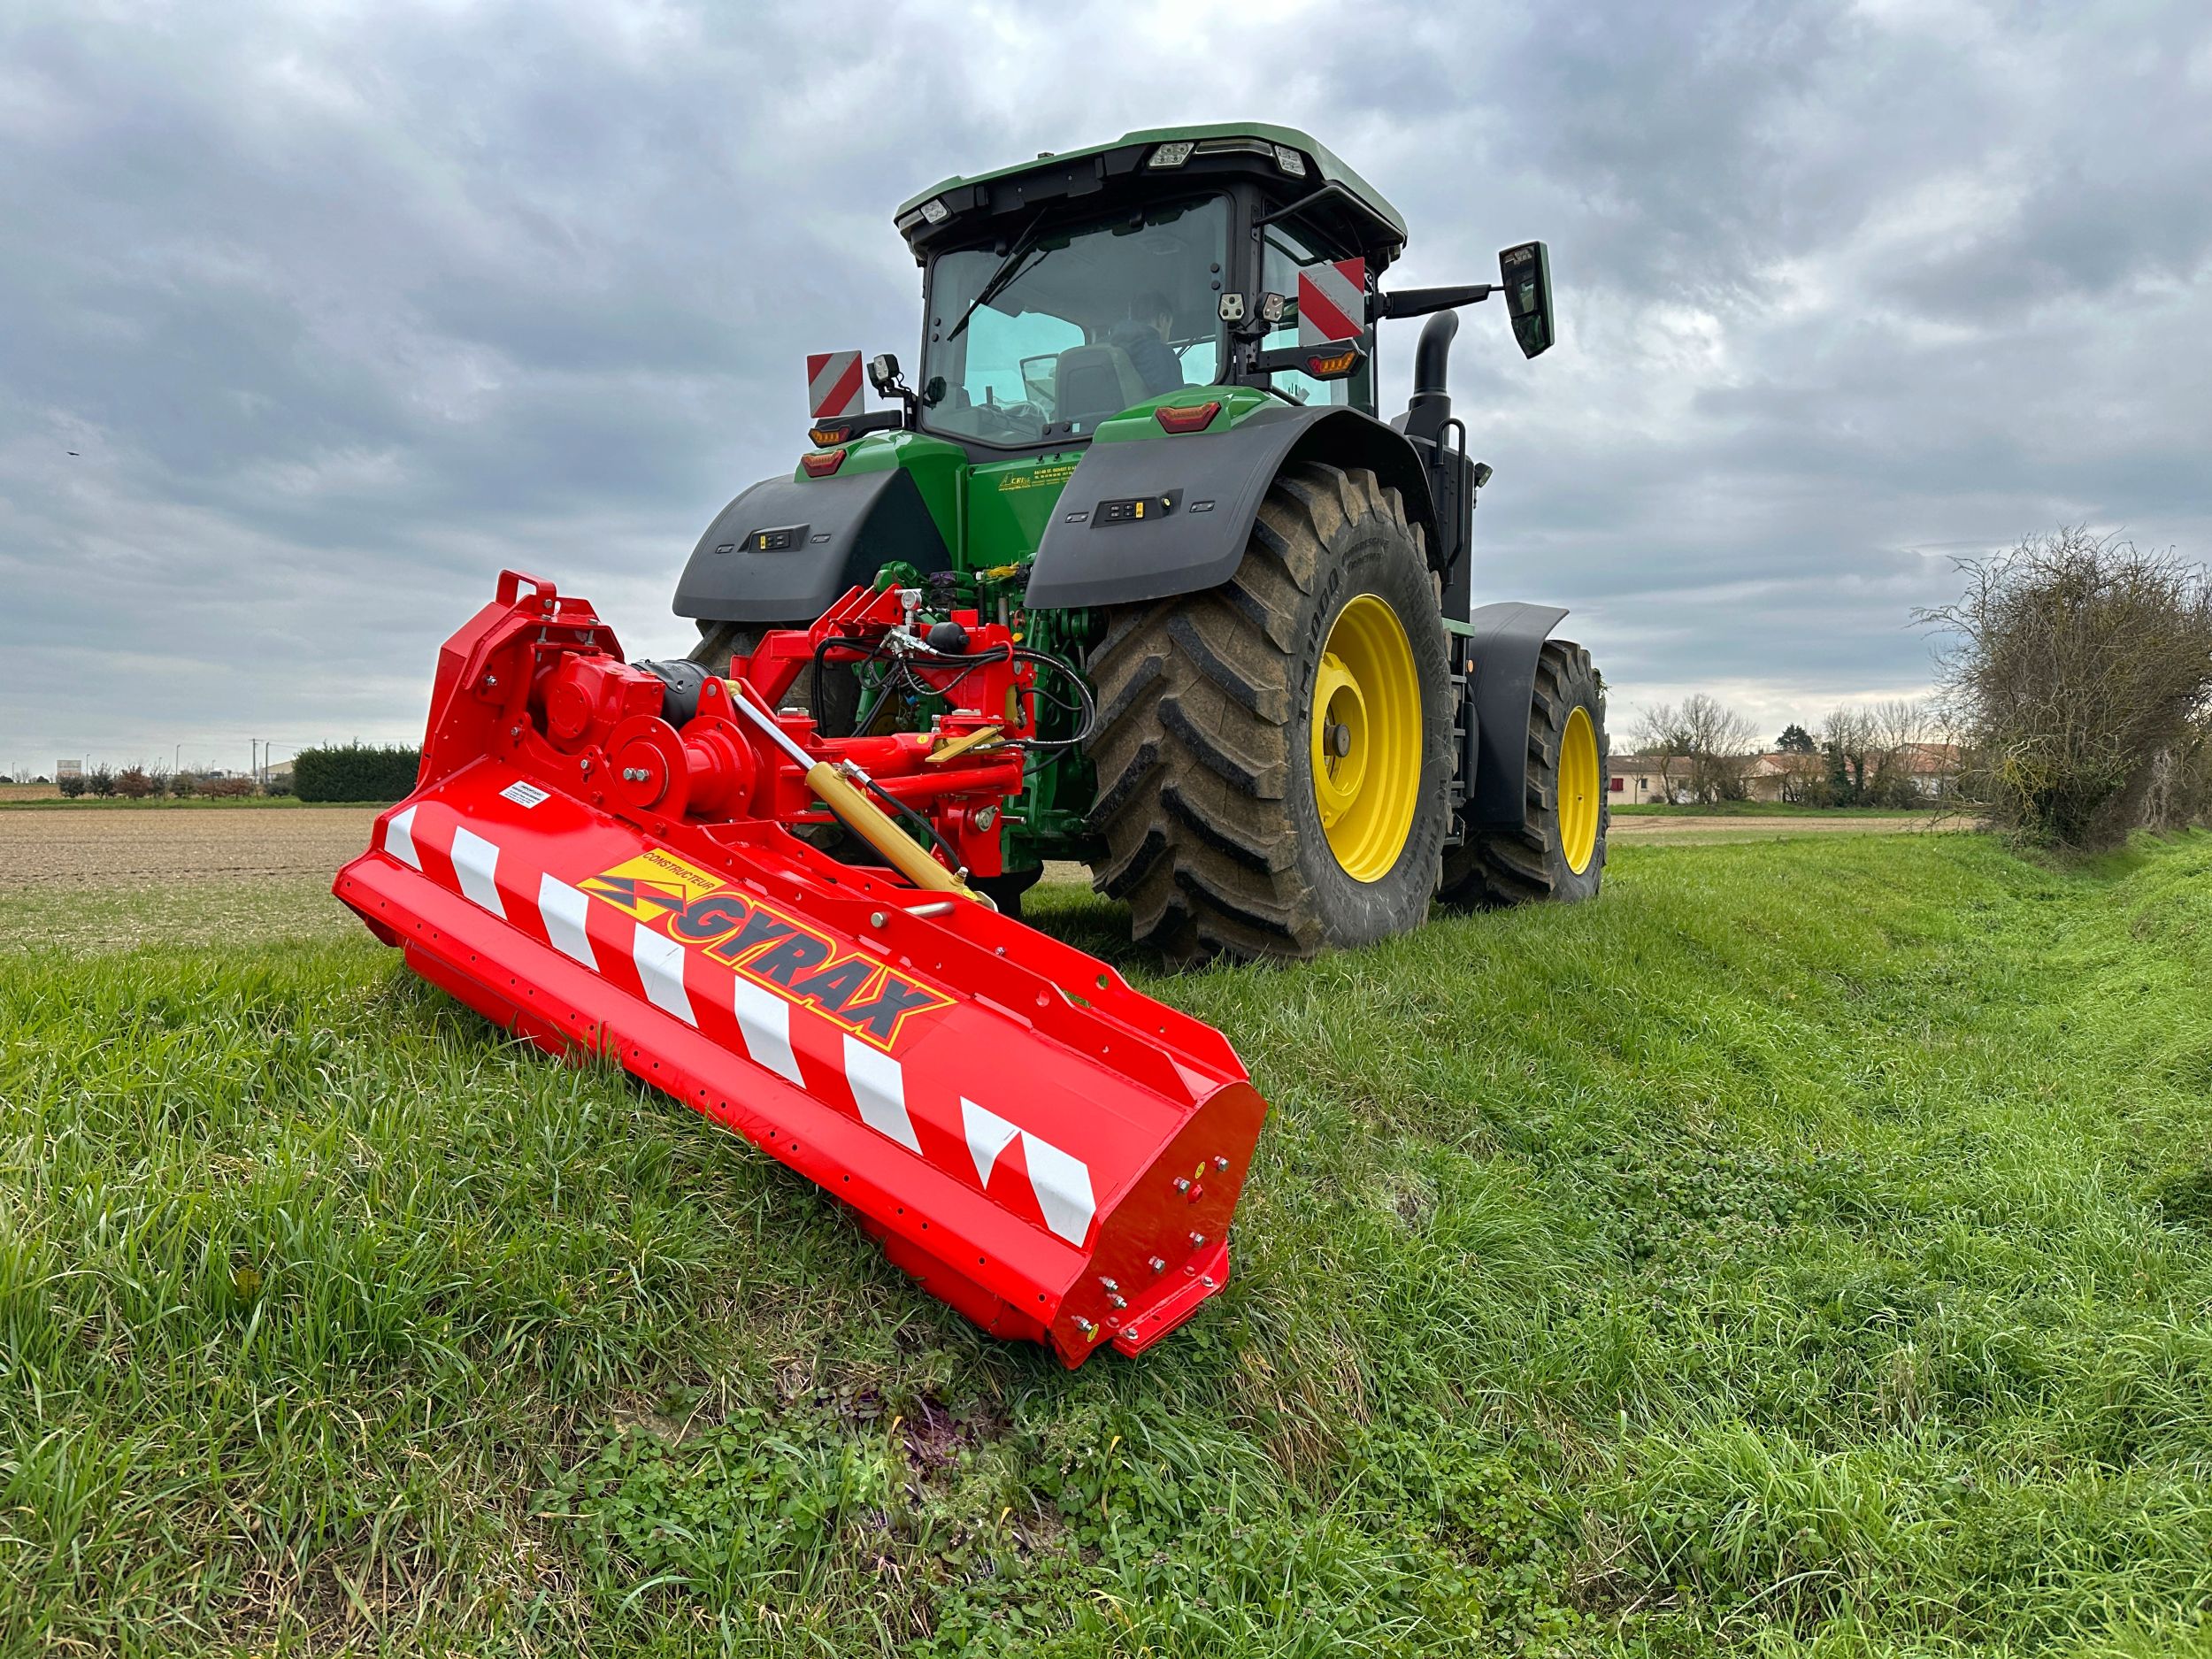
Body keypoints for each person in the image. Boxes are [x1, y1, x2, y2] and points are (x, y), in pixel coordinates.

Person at [1106, 291, 1185, 398]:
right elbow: (1173, 403)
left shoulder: (1105, 349)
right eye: (1169, 327)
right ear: (1162, 320)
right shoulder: (1159, 352)